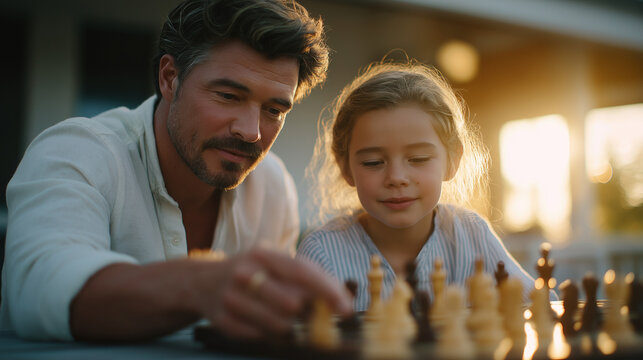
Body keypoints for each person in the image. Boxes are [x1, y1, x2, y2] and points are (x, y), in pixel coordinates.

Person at [1, 0, 351, 341]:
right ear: (169, 78)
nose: (251, 131)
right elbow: (40, 290)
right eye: (228, 96)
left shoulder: (273, 186)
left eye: (274, 110)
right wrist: (200, 284)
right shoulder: (77, 152)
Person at [296, 61, 537, 311]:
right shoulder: (322, 253)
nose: (396, 177)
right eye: (373, 162)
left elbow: (540, 306)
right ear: (346, 168)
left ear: (452, 161)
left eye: (419, 159)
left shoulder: (472, 235)